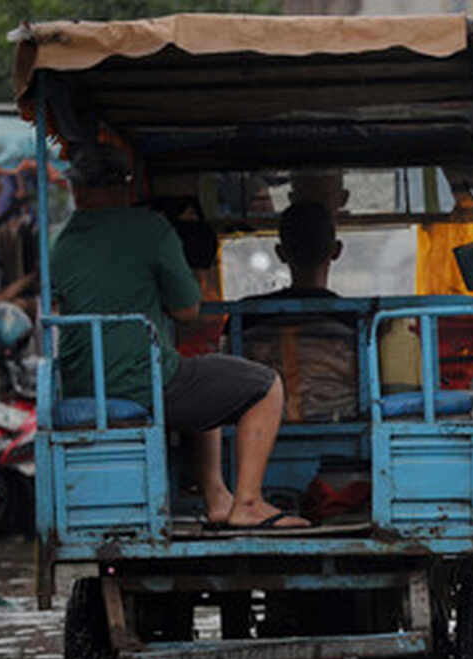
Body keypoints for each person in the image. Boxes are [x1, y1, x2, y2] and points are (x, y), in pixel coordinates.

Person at [51, 144, 309, 530]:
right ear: (125, 188)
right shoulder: (150, 229)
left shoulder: (64, 242)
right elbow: (188, 310)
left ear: (78, 190)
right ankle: (249, 503)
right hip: (138, 383)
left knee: (207, 386)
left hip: (82, 383)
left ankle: (218, 498)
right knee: (265, 385)